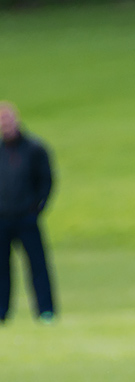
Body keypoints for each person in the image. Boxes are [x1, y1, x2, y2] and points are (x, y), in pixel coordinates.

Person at [0, 102, 56, 322]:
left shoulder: (34, 149)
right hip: (2, 219)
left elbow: (46, 181)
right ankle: (2, 312)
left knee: (38, 266)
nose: (7, 125)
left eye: (9, 120)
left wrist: (37, 208)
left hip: (27, 218)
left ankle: (46, 311)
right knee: (2, 269)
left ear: (17, 120)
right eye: (2, 122)